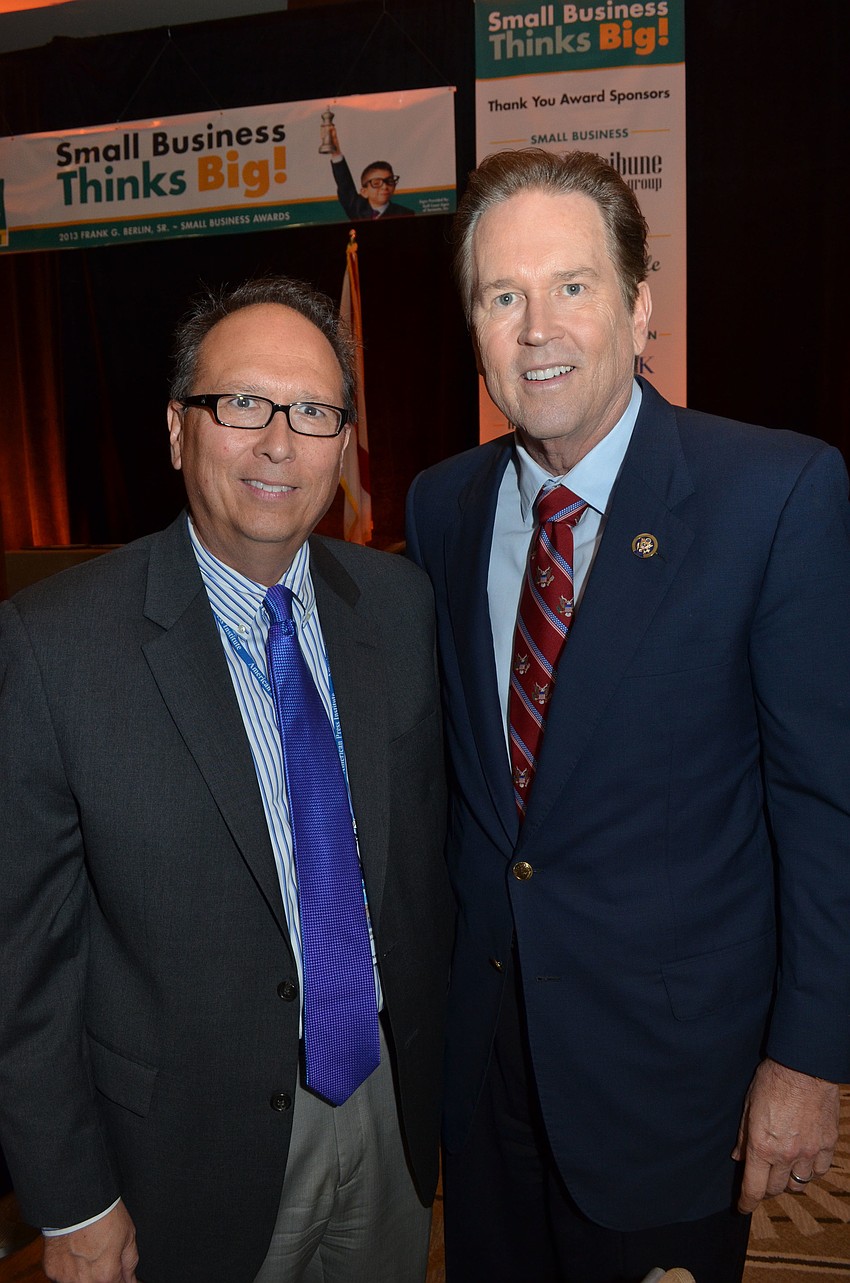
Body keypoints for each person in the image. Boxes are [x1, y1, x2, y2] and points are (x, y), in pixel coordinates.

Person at [405, 148, 850, 1283]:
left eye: (573, 286)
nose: (537, 329)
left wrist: (809, 1058)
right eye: (502, 296)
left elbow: (824, 805)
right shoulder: (441, 505)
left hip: (674, 1089)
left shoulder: (775, 495)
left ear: (640, 306)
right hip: (485, 1083)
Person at [0, 276, 454, 1283]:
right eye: (243, 403)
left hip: (387, 1113)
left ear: (343, 441)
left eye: (313, 412)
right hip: (182, 1155)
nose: (279, 443)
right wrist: (72, 1197)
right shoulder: (52, 647)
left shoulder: (401, 607)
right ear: (177, 429)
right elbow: (19, 961)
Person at [327, 123, 414, 220]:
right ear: (364, 192)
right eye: (376, 183)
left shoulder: (405, 214)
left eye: (389, 181)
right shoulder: (357, 209)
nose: (384, 187)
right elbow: (345, 185)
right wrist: (336, 153)